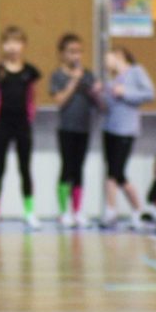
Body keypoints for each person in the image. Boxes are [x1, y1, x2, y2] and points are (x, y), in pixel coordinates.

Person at [0, 25, 41, 231]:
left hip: (23, 125)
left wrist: (29, 115)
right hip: (2, 125)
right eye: (8, 42)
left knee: (25, 168)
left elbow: (34, 96)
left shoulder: (30, 72)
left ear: (23, 46)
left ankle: (29, 212)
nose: (12, 47)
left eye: (17, 42)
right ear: (2, 45)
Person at [49, 33, 101, 229]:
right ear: (62, 54)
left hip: (84, 127)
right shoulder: (58, 75)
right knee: (67, 167)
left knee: (79, 168)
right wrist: (73, 82)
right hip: (66, 128)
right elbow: (60, 101)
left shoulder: (87, 74)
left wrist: (96, 91)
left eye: (79, 51)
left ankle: (77, 210)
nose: (76, 56)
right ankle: (63, 212)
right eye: (71, 52)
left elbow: (99, 104)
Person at [100, 47, 155, 230]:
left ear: (120, 57)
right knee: (117, 173)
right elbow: (107, 104)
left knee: (115, 172)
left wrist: (126, 92)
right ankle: (137, 210)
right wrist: (101, 93)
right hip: (110, 128)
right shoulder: (112, 78)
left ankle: (111, 210)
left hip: (126, 129)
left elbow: (149, 94)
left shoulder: (136, 72)